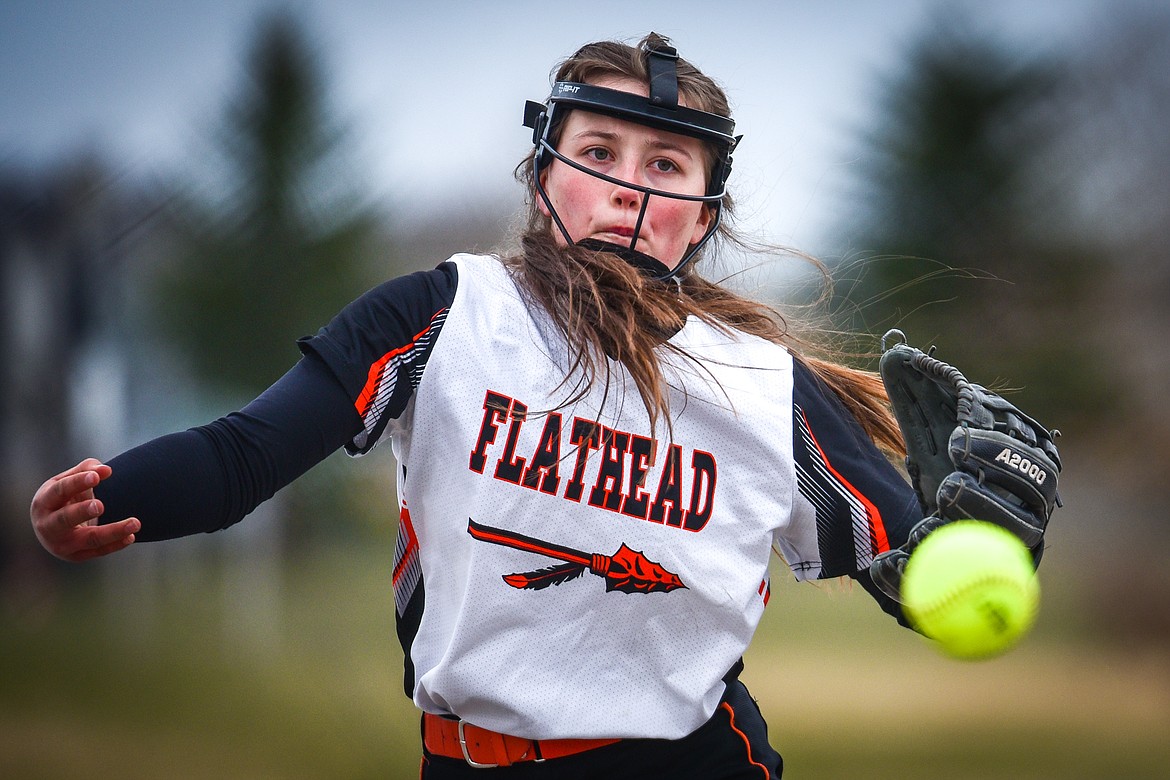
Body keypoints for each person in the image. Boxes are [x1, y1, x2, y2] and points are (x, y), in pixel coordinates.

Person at [28, 33, 1046, 779]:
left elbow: (906, 566)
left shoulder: (761, 383)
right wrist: (110, 495)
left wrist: (979, 542)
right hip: (460, 762)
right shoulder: (445, 314)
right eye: (600, 153)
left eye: (666, 166)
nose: (629, 191)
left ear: (702, 214)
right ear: (543, 168)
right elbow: (246, 455)